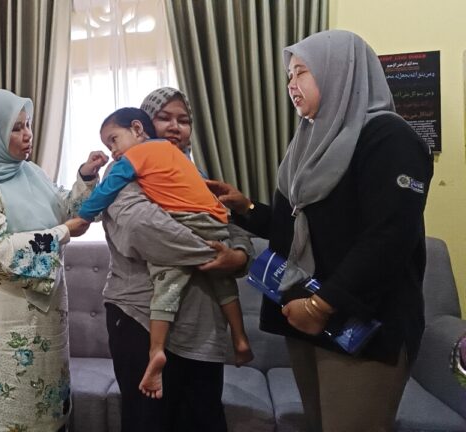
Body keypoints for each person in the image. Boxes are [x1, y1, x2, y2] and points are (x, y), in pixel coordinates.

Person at [208, 30, 433, 431]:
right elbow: (298, 224)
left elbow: (389, 237)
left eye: (302, 72)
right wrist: (246, 208)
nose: (291, 84)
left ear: (339, 72)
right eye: (288, 75)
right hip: (307, 316)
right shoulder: (309, 142)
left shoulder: (389, 137)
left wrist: (321, 306)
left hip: (361, 323)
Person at [0, 88, 107, 431]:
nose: (28, 134)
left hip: (47, 311)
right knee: (8, 409)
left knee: (48, 407)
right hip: (1, 314)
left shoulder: (30, 172)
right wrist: (61, 233)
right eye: (16, 127)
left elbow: (69, 209)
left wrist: (85, 177)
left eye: (28, 125)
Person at [101, 87, 253, 431]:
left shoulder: (190, 174)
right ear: (141, 126)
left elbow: (227, 225)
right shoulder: (123, 173)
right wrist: (219, 255)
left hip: (203, 328)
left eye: (183, 120)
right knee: (149, 423)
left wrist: (240, 255)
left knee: (204, 421)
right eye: (164, 118)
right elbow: (143, 230)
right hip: (141, 319)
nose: (175, 127)